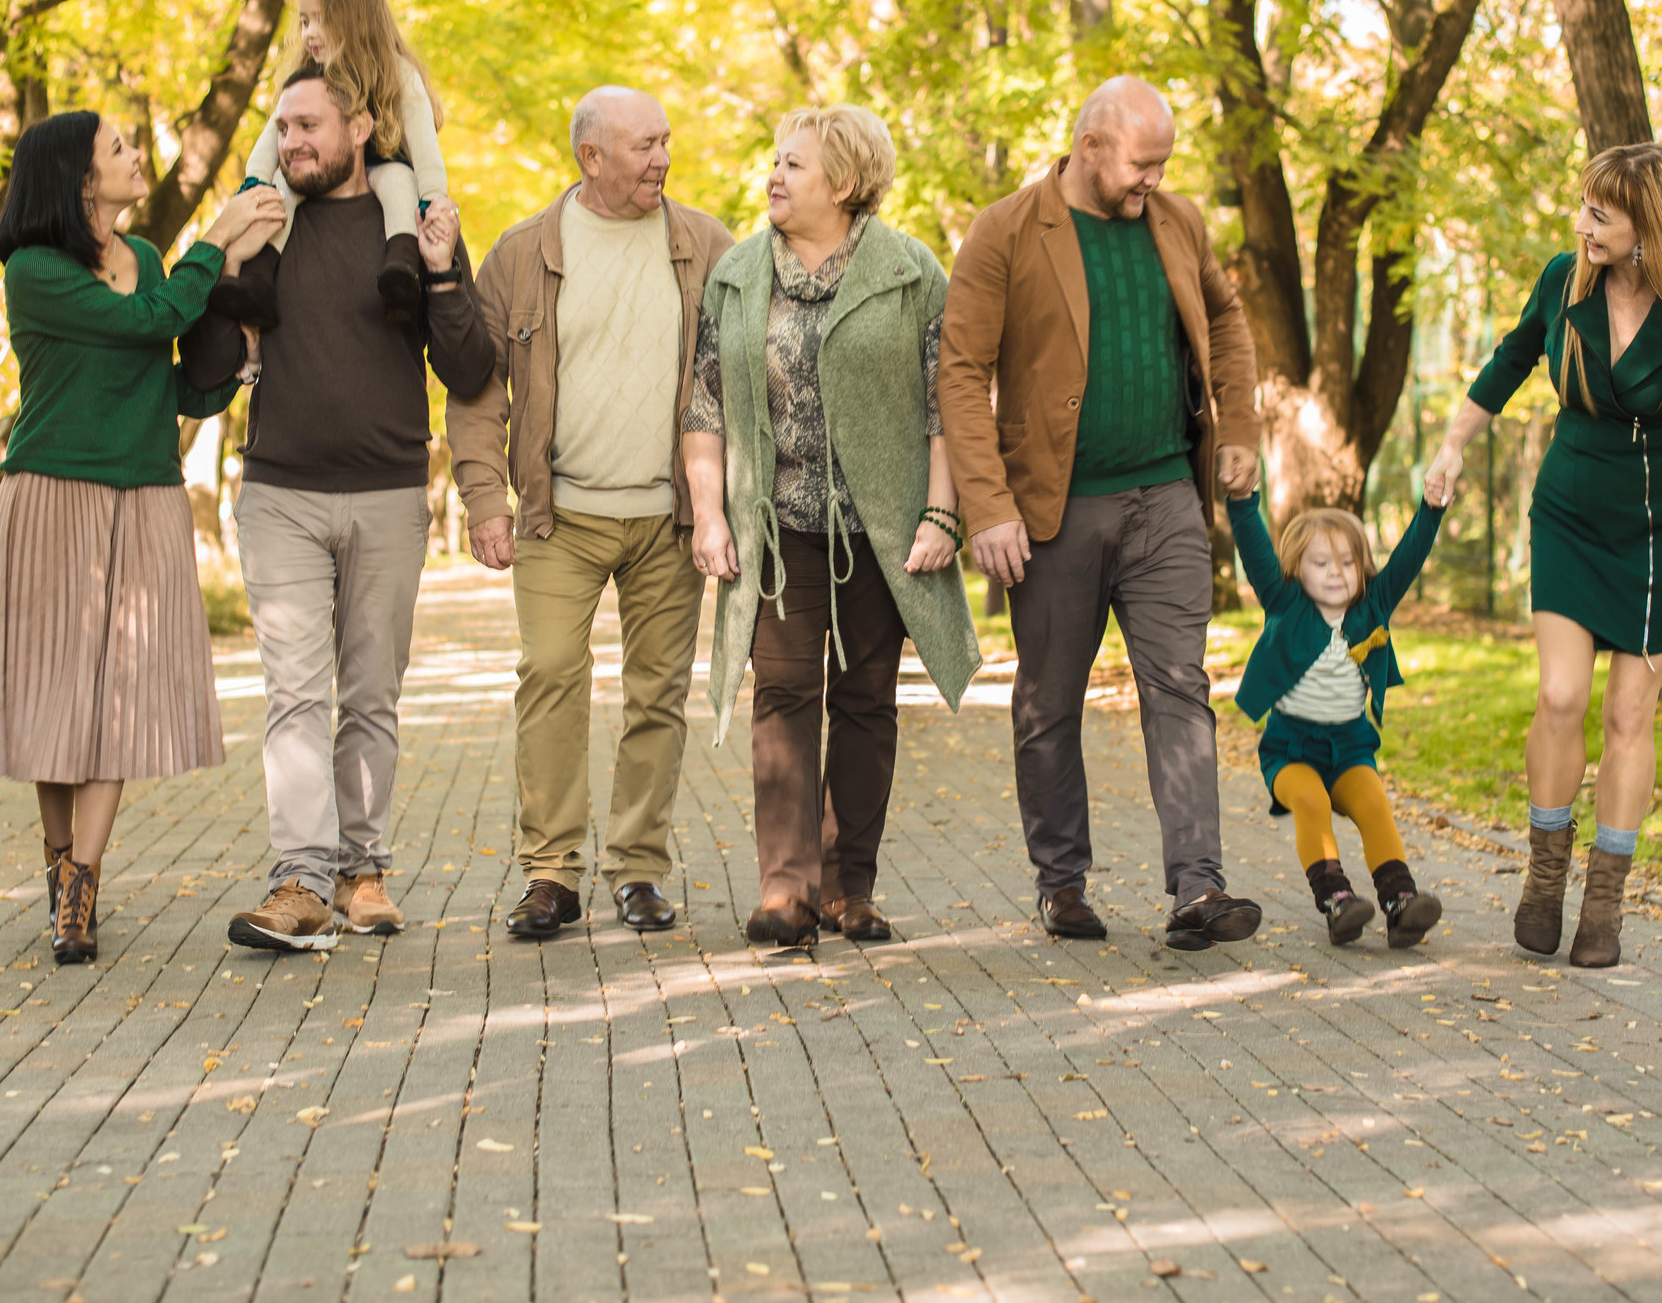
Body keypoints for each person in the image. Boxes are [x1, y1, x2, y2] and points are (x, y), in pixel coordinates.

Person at [1424, 141, 1662, 968]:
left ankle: (1605, 902)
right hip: (1572, 505)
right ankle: (1544, 874)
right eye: (1585, 207)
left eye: (1601, 213)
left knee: (1629, 715)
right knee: (1559, 696)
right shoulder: (1564, 279)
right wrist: (1450, 449)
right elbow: (1507, 363)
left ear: (1648, 226)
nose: (1584, 224)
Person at [939, 76, 1264, 952]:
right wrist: (989, 506)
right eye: (1142, 162)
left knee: (1180, 688)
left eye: (1164, 162)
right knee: (1049, 704)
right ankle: (1063, 882)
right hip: (1053, 512)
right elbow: (961, 372)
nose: (1153, 178)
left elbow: (1228, 318)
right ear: (1089, 147)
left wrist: (1238, 424)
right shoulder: (1005, 230)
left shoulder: (1176, 221)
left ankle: (1199, 888)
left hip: (1165, 496)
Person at [0, 111, 284, 964]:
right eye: (118, 150)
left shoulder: (143, 259)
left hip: (142, 496)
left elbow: (159, 377)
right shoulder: (32, 271)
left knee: (118, 696)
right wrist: (214, 242)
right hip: (53, 497)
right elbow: (142, 323)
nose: (138, 157)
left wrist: (235, 368)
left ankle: (81, 887)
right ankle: (61, 868)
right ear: (77, 178)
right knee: (59, 695)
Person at [183, 63, 496, 952]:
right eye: (283, 128)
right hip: (279, 490)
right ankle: (300, 880)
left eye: (309, 125)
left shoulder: (413, 225)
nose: (292, 143)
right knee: (293, 692)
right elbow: (205, 368)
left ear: (361, 126)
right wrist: (223, 257)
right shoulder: (265, 224)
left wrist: (441, 277)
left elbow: (469, 368)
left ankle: (363, 870)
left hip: (390, 495)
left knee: (370, 695)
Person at [680, 106, 981, 948]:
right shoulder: (740, 273)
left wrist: (941, 509)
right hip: (776, 531)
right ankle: (786, 891)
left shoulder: (910, 270)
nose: (774, 176)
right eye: (777, 162)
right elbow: (704, 402)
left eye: (794, 165)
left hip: (879, 534)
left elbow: (944, 403)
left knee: (863, 702)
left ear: (844, 183)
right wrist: (710, 513)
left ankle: (850, 885)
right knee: (781, 697)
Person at [447, 87, 734, 941]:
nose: (662, 159)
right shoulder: (523, 252)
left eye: (666, 141)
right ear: (591, 158)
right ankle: (550, 872)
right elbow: (475, 393)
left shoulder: (706, 246)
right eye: (644, 145)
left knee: (658, 696)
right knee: (550, 679)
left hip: (667, 520)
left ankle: (639, 869)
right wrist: (483, 498)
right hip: (558, 516)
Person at [1229, 491, 1448, 948]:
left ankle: (1400, 903)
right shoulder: (1284, 603)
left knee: (1372, 801)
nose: (1337, 573)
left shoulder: (1374, 604)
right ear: (1295, 569)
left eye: (1348, 562)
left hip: (1350, 747)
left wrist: (1432, 508)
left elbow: (1409, 556)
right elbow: (1255, 551)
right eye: (1322, 563)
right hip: (1290, 749)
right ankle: (1337, 902)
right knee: (1311, 801)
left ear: (1363, 568)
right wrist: (1243, 502)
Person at [206, 0, 449, 332]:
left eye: (321, 20)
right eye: (304, 21)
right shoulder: (307, 81)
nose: (309, 33)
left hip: (384, 162)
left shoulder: (398, 73)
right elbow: (272, 134)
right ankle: (260, 276)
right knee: (283, 187)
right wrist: (256, 181)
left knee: (400, 181)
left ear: (356, 20)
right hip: (323, 172)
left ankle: (400, 267)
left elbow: (423, 142)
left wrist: (434, 197)